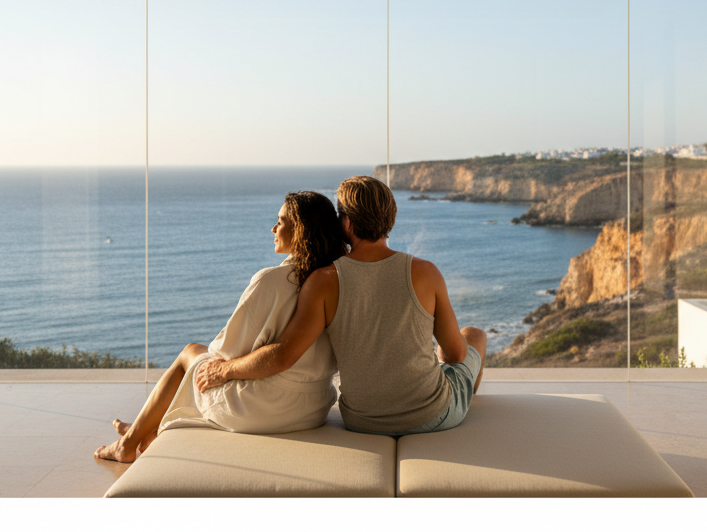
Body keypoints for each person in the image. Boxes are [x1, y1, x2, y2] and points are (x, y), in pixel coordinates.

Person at [195, 175, 487, 436]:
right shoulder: (426, 272)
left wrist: (223, 370)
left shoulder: (323, 281)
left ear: (346, 223)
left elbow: (283, 355)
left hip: (362, 420)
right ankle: (468, 398)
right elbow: (456, 354)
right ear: (390, 218)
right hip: (432, 416)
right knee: (474, 335)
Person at [94, 190, 346, 462]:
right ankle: (144, 428)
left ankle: (127, 444)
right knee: (203, 362)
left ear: (301, 231)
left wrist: (221, 366)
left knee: (191, 355)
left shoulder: (271, 281)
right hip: (314, 406)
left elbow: (226, 352)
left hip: (268, 409)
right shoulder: (336, 280)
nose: (273, 228)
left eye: (281, 222)